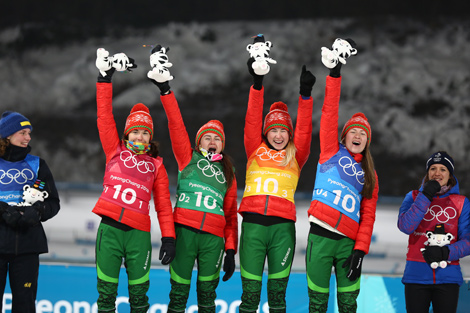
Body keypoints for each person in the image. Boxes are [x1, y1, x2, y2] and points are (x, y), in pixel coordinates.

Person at [149, 45, 238, 313]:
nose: (212, 142)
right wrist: (165, 90)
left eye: (217, 139)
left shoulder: (229, 173)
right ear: (199, 143)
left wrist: (231, 250)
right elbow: (176, 124)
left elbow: (231, 215)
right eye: (207, 138)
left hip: (213, 238)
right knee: (178, 295)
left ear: (222, 146)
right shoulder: (187, 158)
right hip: (184, 232)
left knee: (207, 298)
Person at [93, 48, 176, 313]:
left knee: (139, 298)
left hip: (138, 235)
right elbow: (104, 116)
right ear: (128, 132)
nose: (140, 137)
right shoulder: (114, 150)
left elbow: (163, 205)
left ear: (150, 137)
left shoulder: (156, 165)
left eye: (145, 133)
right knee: (106, 296)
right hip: (110, 230)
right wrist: (105, 79)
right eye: (135, 132)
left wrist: (169, 238)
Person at [238, 34, 316, 313]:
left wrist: (305, 97)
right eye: (274, 130)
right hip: (253, 227)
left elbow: (305, 129)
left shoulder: (296, 155)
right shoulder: (254, 149)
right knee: (249, 296)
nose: (280, 135)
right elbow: (251, 117)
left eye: (284, 130)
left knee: (278, 297)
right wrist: (257, 84)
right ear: (265, 132)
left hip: (283, 229)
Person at [306, 38, 379, 313]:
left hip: (349, 243)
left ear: (367, 142)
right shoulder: (329, 151)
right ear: (344, 136)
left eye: (363, 133)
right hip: (321, 237)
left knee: (349, 305)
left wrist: (360, 250)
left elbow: (368, 215)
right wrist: (334, 74)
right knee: (317, 304)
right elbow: (329, 112)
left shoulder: (370, 173)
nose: (358, 135)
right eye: (354, 131)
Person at [0, 111, 60, 313]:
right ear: (7, 135)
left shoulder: (37, 165)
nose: (28, 137)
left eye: (29, 133)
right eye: (23, 132)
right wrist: (3, 210)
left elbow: (53, 203)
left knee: (25, 306)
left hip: (27, 245)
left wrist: (37, 212)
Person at [397, 151, 470, 313]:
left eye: (443, 169)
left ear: (450, 175)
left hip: (448, 278)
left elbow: (468, 241)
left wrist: (446, 252)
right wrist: (426, 195)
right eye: (433, 169)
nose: (437, 173)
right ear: (427, 173)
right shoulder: (413, 196)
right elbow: (405, 226)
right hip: (416, 277)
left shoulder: (461, 203)